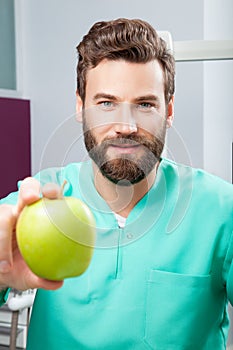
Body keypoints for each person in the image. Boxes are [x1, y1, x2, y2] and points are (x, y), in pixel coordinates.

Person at [0, 18, 232, 350]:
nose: (125, 125)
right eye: (106, 103)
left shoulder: (221, 210)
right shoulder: (37, 200)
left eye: (145, 104)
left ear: (168, 111)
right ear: (81, 107)